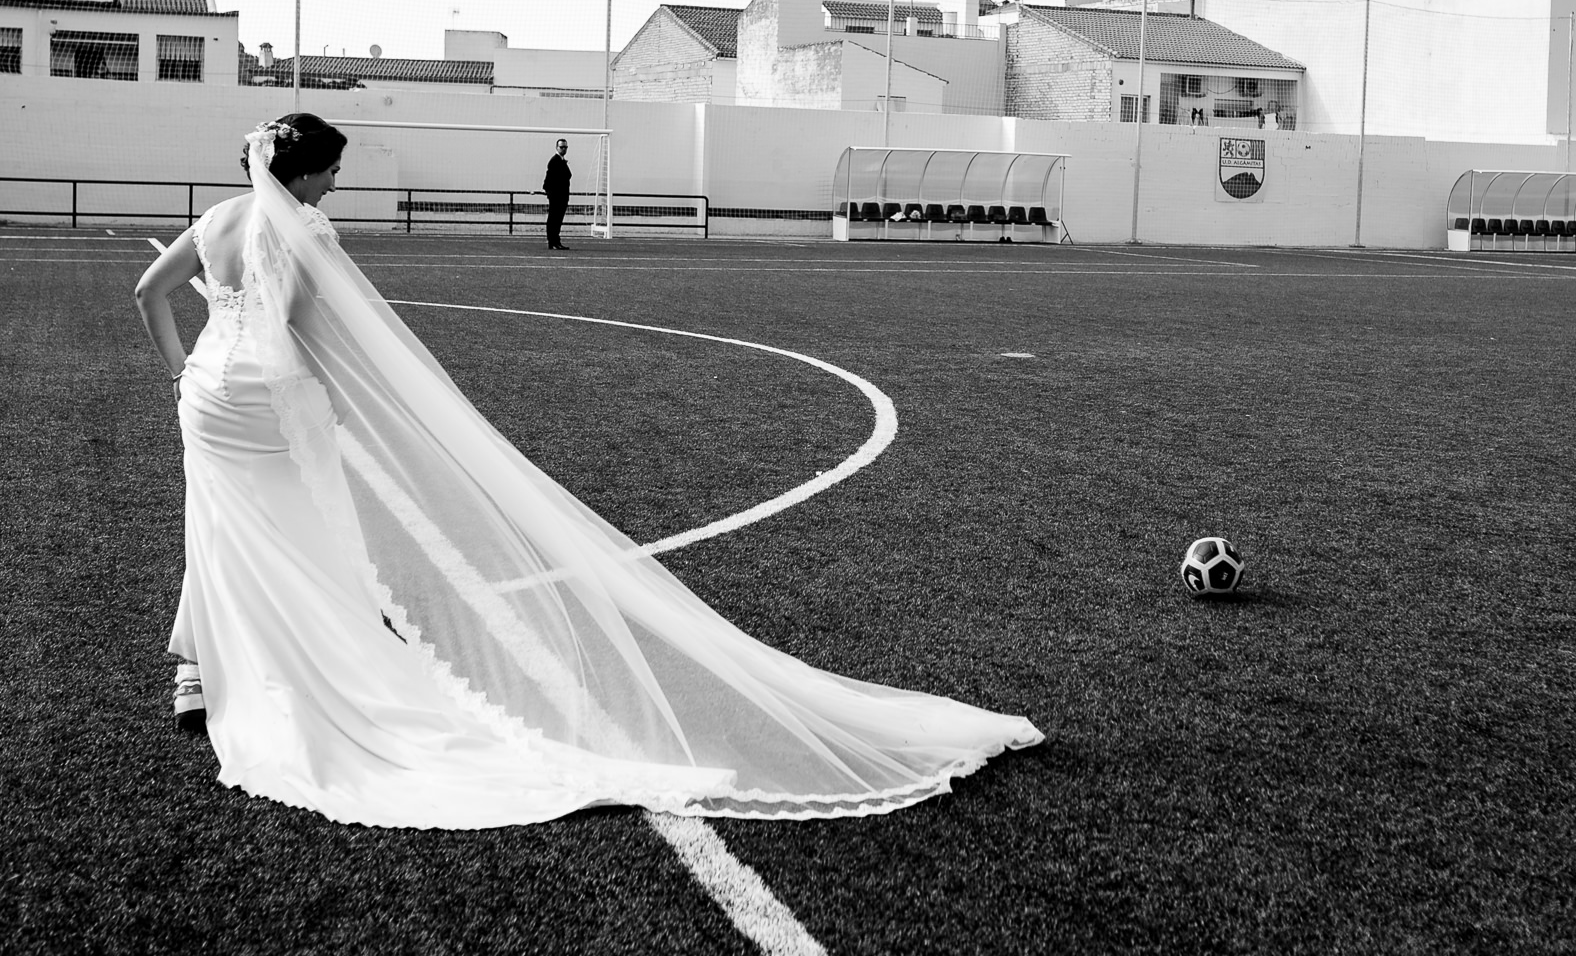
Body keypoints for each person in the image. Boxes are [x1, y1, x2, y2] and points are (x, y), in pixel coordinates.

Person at [133, 114, 1040, 828]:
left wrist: (184, 365)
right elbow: (301, 335)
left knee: (223, 527)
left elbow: (150, 295)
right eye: (331, 170)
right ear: (301, 173)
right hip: (268, 400)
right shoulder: (302, 231)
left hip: (207, 396)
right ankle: (273, 674)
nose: (336, 182)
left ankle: (202, 672)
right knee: (309, 537)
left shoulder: (217, 219)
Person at [543, 138, 571, 250]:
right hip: (557, 196)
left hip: (562, 195)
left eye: (565, 147)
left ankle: (555, 241)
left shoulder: (561, 160)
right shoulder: (554, 161)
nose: (564, 149)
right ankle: (553, 241)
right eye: (561, 147)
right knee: (554, 219)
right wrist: (550, 193)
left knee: (557, 219)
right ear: (557, 148)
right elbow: (550, 179)